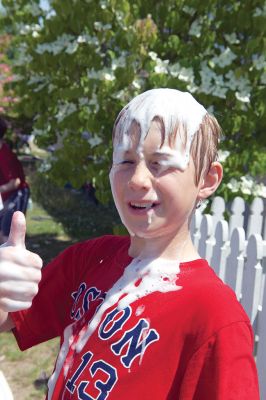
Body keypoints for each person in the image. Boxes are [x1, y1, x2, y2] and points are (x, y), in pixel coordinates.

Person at [0, 89, 260, 399]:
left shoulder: (216, 318)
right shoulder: (89, 259)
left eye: (159, 163)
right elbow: (12, 322)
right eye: (125, 160)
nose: (137, 179)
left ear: (206, 179)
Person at [0, 117, 30, 244]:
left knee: (9, 234)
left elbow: (15, 182)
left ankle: (12, 262)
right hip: (5, 196)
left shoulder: (6, 155)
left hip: (17, 194)